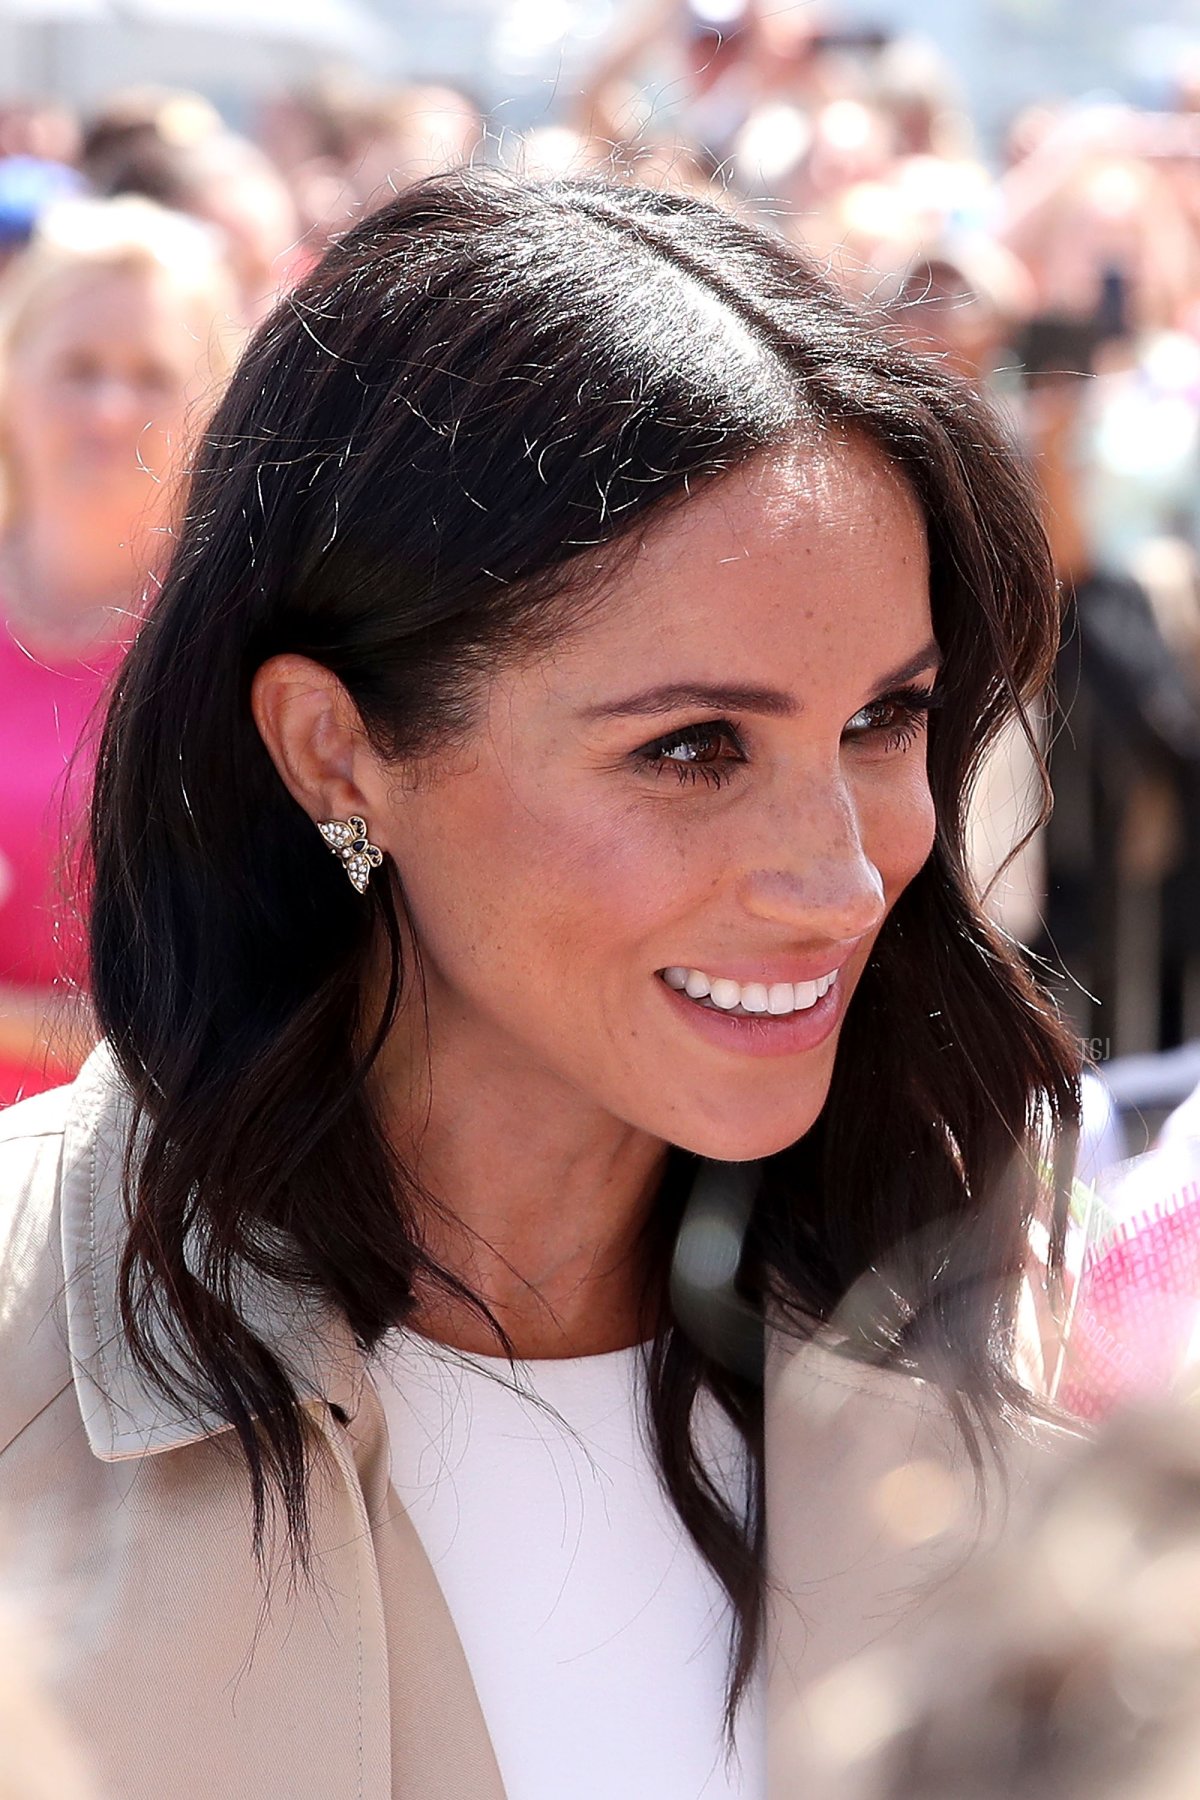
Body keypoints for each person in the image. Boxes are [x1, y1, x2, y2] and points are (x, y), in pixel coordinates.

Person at [0, 170, 1082, 1800]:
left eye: (884, 722)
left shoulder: (984, 1332)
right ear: (334, 750)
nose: (844, 878)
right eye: (694, 748)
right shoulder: (25, 1366)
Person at [0, 196, 239, 1104]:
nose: (108, 409)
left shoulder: (227, 644)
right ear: (11, 372)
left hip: (117, 1163)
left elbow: (234, 1010)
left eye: (151, 375)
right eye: (79, 368)